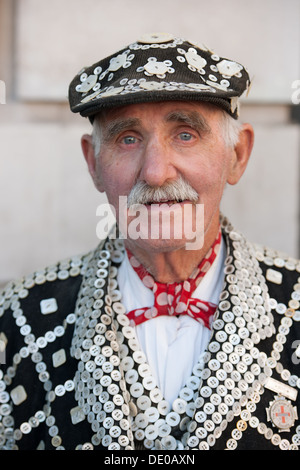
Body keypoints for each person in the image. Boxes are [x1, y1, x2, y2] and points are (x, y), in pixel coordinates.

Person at [0, 32, 300, 452]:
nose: (156, 172)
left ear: (238, 155)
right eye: (128, 139)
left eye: (185, 134)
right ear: (93, 164)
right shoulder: (16, 320)